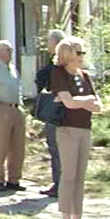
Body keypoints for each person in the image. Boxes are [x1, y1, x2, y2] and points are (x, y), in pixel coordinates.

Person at [51, 36, 102, 219]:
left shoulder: (85, 76)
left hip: (85, 128)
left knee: (80, 177)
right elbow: (68, 103)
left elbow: (99, 106)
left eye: (83, 53)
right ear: (67, 54)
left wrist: (86, 102)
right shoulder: (59, 74)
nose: (82, 57)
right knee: (69, 175)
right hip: (67, 129)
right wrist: (86, 101)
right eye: (78, 52)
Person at [0, 40, 25, 192]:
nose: (11, 52)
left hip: (16, 109)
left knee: (18, 146)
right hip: (1, 108)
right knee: (1, 145)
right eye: (8, 50)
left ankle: (14, 179)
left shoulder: (14, 69)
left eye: (11, 49)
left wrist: (21, 106)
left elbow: (19, 87)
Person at [35, 28, 67, 197]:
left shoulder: (57, 65)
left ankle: (60, 184)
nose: (46, 44)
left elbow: (42, 79)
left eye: (48, 41)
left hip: (57, 113)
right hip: (66, 113)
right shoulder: (71, 64)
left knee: (57, 150)